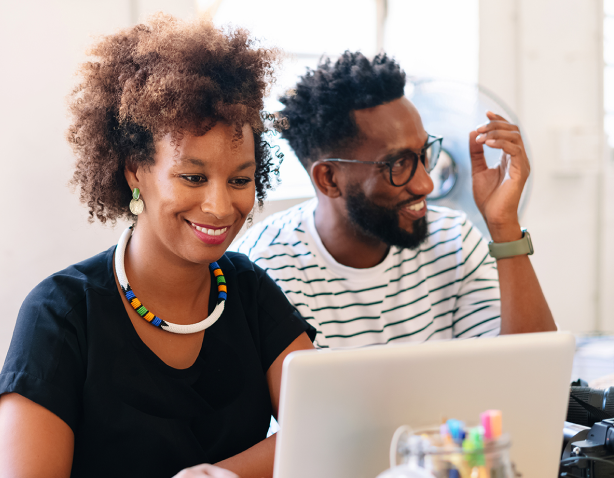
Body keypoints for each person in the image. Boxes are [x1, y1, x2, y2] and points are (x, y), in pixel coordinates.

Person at [0, 14, 316, 478]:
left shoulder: (248, 290)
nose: (221, 206)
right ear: (136, 170)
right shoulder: (62, 312)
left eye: (239, 180)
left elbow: (323, 430)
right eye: (193, 178)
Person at [231, 52, 556, 349]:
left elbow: (533, 371)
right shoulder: (269, 268)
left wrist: (504, 226)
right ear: (329, 179)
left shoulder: (453, 239)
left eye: (423, 153)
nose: (426, 184)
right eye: (398, 164)